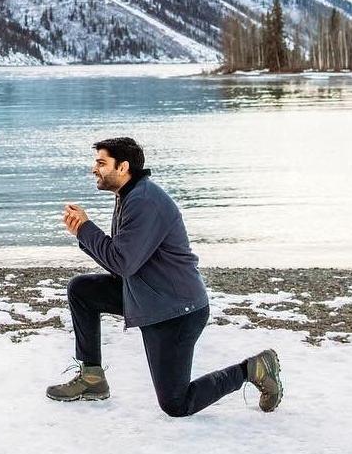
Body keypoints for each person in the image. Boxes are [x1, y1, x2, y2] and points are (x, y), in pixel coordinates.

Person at [47, 136, 282, 416]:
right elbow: (122, 263)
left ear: (122, 167)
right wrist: (83, 232)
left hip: (175, 310)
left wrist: (86, 229)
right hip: (149, 296)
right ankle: (92, 379)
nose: (93, 169)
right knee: (82, 290)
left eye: (101, 163)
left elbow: (122, 263)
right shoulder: (129, 195)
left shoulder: (144, 202)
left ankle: (253, 369)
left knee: (176, 403)